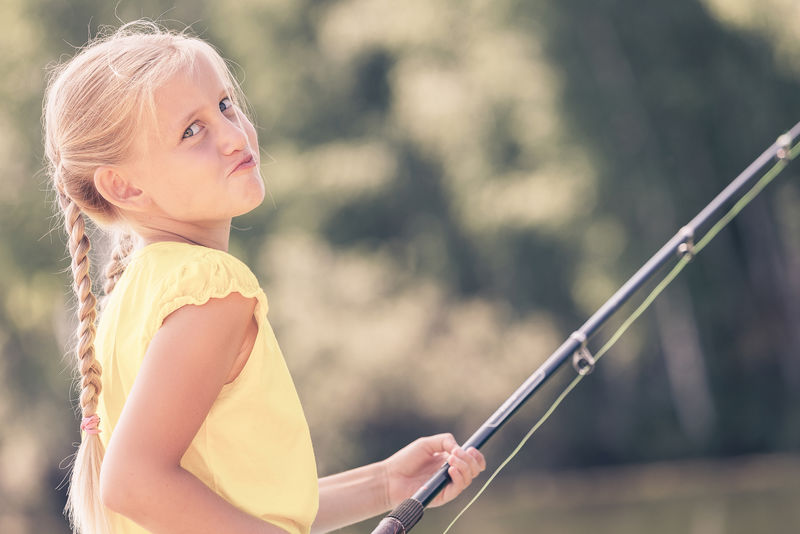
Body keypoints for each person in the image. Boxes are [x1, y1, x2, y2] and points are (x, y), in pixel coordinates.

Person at [44, 21, 485, 534]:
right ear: (124, 186)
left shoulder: (134, 295)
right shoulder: (211, 288)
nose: (233, 137)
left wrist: (385, 484)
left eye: (226, 106)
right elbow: (133, 484)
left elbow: (233, 507)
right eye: (192, 131)